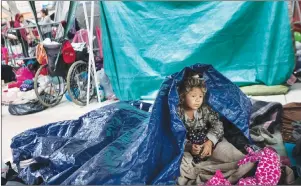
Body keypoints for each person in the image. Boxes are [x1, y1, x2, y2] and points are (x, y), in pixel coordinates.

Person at [177, 73, 254, 185]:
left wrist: (210, 142)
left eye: (200, 96)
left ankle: (245, 167)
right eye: (193, 96)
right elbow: (173, 135)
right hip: (187, 148)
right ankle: (199, 170)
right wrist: (189, 147)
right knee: (182, 167)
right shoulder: (178, 113)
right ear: (183, 96)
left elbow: (217, 125)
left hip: (208, 142)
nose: (197, 100)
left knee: (234, 156)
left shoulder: (205, 110)